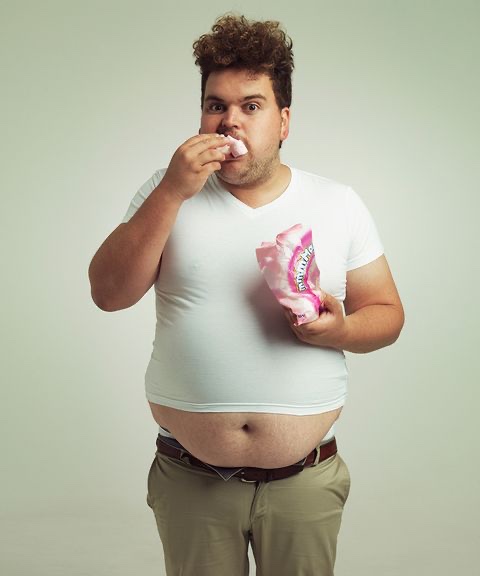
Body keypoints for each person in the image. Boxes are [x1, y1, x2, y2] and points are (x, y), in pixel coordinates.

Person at [88, 13, 404, 576]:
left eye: (251, 106)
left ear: (284, 121)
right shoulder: (165, 191)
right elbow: (108, 294)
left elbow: (387, 315)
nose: (229, 121)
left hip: (305, 480)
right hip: (190, 478)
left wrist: (340, 329)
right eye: (216, 105)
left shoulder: (338, 203)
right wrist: (172, 191)